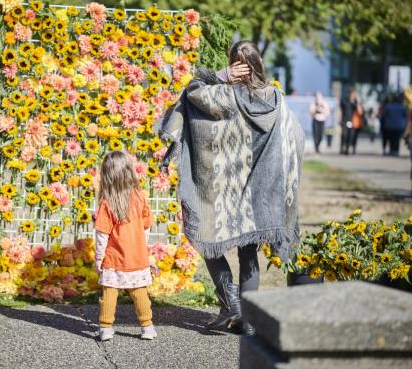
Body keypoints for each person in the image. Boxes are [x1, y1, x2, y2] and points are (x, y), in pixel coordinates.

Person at [159, 40, 304, 334]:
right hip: (259, 192)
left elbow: (191, 91)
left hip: (224, 192)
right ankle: (247, 319)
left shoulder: (222, 95)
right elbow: (294, 139)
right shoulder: (275, 97)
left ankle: (231, 304)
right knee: (248, 253)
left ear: (235, 64)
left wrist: (221, 75)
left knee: (206, 239)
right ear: (259, 63)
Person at [94, 151, 157, 341]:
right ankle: (147, 327)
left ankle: (105, 329)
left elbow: (102, 235)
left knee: (109, 294)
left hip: (114, 259)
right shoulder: (139, 198)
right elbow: (146, 227)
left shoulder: (107, 203)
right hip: (137, 258)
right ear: (129, 172)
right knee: (140, 294)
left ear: (107, 175)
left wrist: (99, 258)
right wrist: (141, 247)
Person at [339, 87, 361, 155]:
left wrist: (358, 101)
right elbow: (340, 110)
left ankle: (347, 150)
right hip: (344, 120)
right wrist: (339, 119)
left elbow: (360, 112)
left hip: (351, 121)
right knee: (344, 135)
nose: (352, 95)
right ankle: (342, 148)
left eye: (353, 94)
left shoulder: (355, 102)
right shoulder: (344, 100)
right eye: (351, 94)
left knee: (350, 135)